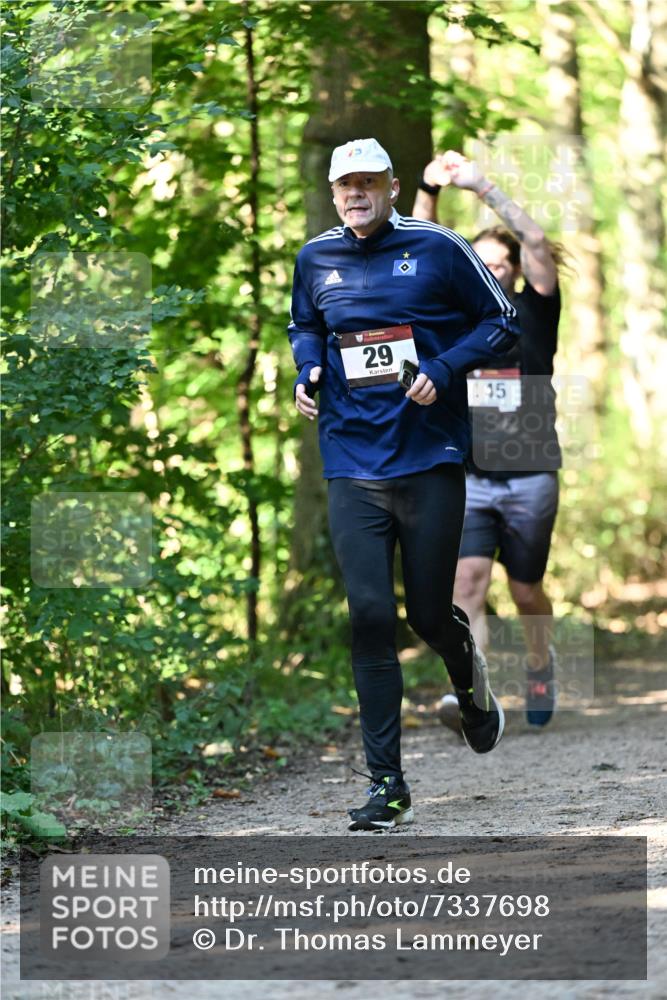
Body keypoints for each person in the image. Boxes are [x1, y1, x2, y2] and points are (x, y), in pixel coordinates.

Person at [288, 138, 520, 831]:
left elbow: (501, 322)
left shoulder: (440, 247)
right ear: (332, 193)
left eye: (367, 182)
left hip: (428, 457)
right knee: (367, 616)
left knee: (426, 614)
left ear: (391, 185)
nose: (354, 194)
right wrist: (308, 369)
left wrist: (443, 369)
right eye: (342, 185)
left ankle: (470, 684)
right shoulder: (315, 258)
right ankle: (387, 785)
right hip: (350, 462)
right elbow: (304, 325)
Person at [412, 150, 562, 729]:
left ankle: (540, 662)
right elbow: (423, 244)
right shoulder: (457, 321)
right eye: (483, 262)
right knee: (467, 583)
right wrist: (429, 187)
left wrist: (483, 188)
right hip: (471, 474)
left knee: (526, 593)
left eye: (503, 263)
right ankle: (474, 695)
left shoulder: (535, 313)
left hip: (530, 474)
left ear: (517, 271)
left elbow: (539, 240)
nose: (494, 270)